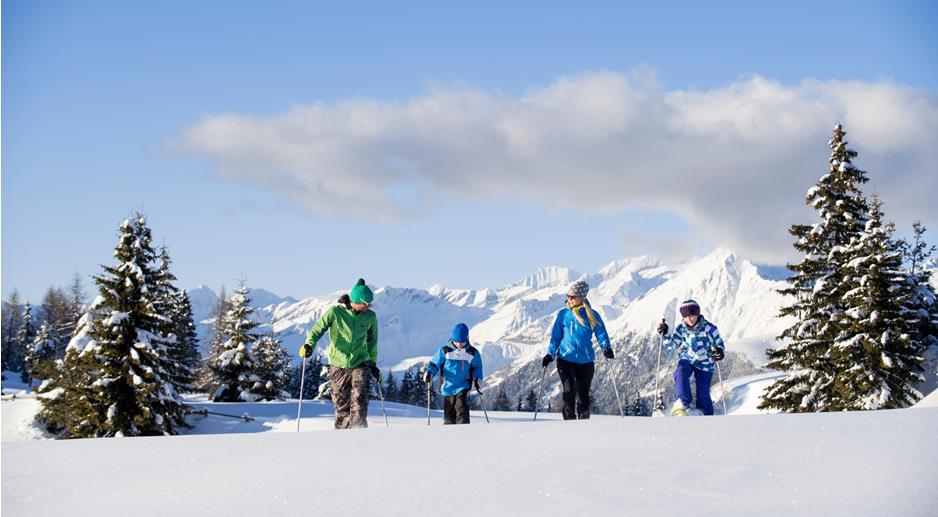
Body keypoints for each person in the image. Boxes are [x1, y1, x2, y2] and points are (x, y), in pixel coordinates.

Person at [300, 278, 379, 429]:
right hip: (338, 364)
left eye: (370, 304)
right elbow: (317, 330)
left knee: (359, 401)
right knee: (342, 408)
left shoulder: (370, 317)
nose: (367, 307)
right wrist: (308, 345)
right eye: (365, 304)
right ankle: (343, 441)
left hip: (360, 362)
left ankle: (360, 436)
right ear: (355, 301)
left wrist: (373, 363)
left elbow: (372, 341)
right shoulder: (335, 313)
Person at [541, 280, 614, 420]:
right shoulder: (563, 314)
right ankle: (569, 424)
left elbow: (601, 334)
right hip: (565, 359)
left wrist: (606, 348)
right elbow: (555, 337)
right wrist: (550, 354)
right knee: (569, 392)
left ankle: (583, 426)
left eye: (573, 296)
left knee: (583, 395)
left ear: (582, 297)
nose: (570, 299)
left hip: (585, 361)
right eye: (568, 296)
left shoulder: (592, 314)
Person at [656, 299, 726, 416]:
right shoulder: (681, 328)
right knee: (680, 372)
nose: (690, 319)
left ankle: (705, 414)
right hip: (687, 358)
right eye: (686, 316)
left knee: (703, 393)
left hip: (705, 363)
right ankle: (683, 403)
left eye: (692, 315)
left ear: (698, 313)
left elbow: (719, 343)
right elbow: (672, 346)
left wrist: (719, 351)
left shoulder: (709, 328)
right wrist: (665, 333)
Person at [424, 323, 484, 425]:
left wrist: (477, 379)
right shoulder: (445, 351)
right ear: (452, 339)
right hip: (447, 386)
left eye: (462, 342)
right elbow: (434, 364)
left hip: (463, 385)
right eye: (457, 342)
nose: (459, 345)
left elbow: (477, 367)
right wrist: (429, 373)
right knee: (449, 412)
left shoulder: (472, 352)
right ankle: (449, 431)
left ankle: (464, 429)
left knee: (461, 407)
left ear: (467, 339)